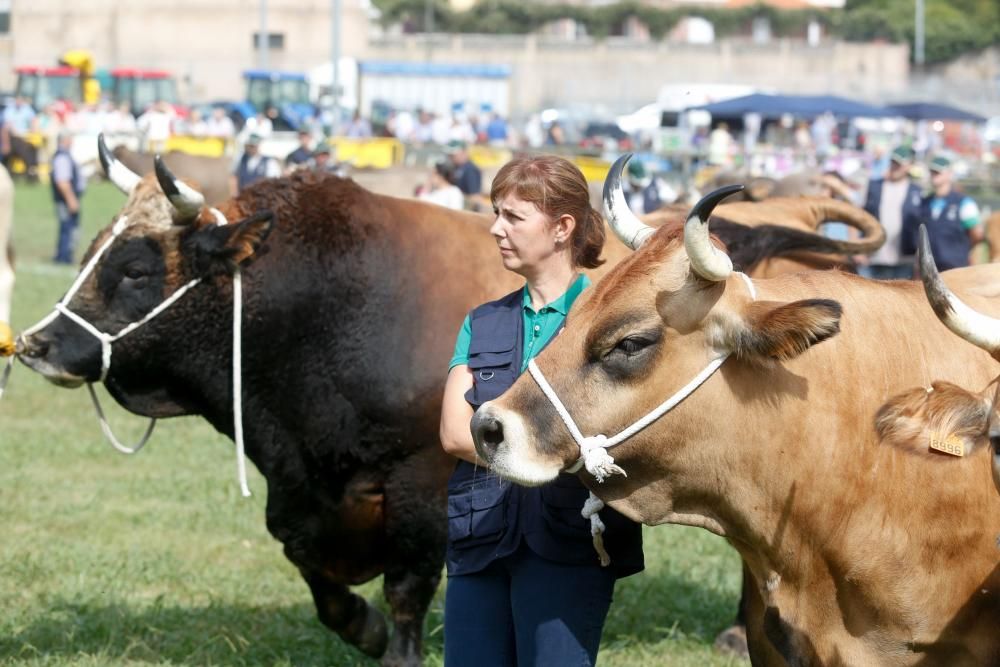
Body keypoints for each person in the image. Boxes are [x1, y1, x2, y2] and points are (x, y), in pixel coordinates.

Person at [439, 155, 644, 666]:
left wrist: (517, 449)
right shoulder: (481, 321)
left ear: (562, 228)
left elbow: (625, 435)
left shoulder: (610, 326)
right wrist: (554, 455)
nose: (495, 228)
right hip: (478, 536)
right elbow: (453, 434)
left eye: (512, 217)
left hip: (570, 543)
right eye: (496, 213)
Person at [905, 155, 983, 270]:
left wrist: (961, 250)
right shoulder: (924, 202)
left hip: (956, 268)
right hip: (929, 270)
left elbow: (977, 234)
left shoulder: (964, 203)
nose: (934, 175)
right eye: (932, 171)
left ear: (950, 174)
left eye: (938, 172)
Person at [859, 145, 923, 279]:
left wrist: (919, 258)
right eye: (893, 163)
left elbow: (921, 226)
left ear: (909, 166)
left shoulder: (917, 192)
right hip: (874, 257)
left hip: (904, 259)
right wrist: (856, 249)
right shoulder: (874, 186)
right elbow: (857, 215)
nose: (895, 167)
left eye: (899, 164)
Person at [50, 131, 85, 265]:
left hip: (67, 197)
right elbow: (63, 182)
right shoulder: (62, 158)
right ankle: (64, 257)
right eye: (70, 139)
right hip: (66, 199)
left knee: (67, 227)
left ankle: (63, 255)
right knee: (68, 228)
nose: (72, 142)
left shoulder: (64, 156)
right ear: (65, 140)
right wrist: (71, 199)